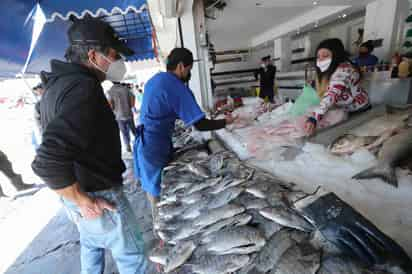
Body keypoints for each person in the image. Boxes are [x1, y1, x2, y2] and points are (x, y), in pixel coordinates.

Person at [31, 17, 147, 274]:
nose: (119, 63)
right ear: (93, 55)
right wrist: (83, 200)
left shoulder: (57, 86)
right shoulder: (83, 89)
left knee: (92, 249)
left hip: (82, 195)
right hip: (99, 196)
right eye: (114, 55)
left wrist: (76, 200)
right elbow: (47, 161)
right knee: (133, 260)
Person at [133, 47, 237, 228]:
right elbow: (200, 124)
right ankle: (164, 233)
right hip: (154, 145)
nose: (189, 74)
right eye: (189, 70)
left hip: (147, 142)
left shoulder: (156, 80)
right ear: (181, 67)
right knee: (159, 194)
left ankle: (164, 227)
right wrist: (225, 122)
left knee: (158, 190)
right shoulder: (175, 86)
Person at [305, 38, 370, 136]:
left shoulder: (345, 70)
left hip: (359, 110)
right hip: (343, 108)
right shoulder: (330, 69)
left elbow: (332, 94)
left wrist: (314, 118)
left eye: (325, 56)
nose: (320, 60)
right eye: (318, 56)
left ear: (336, 55)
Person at [107, 82, 136, 152]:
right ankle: (140, 143)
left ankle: (128, 147)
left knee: (124, 133)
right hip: (128, 114)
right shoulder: (126, 89)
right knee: (134, 131)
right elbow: (133, 99)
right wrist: (129, 106)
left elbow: (111, 105)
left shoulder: (110, 91)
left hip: (119, 116)